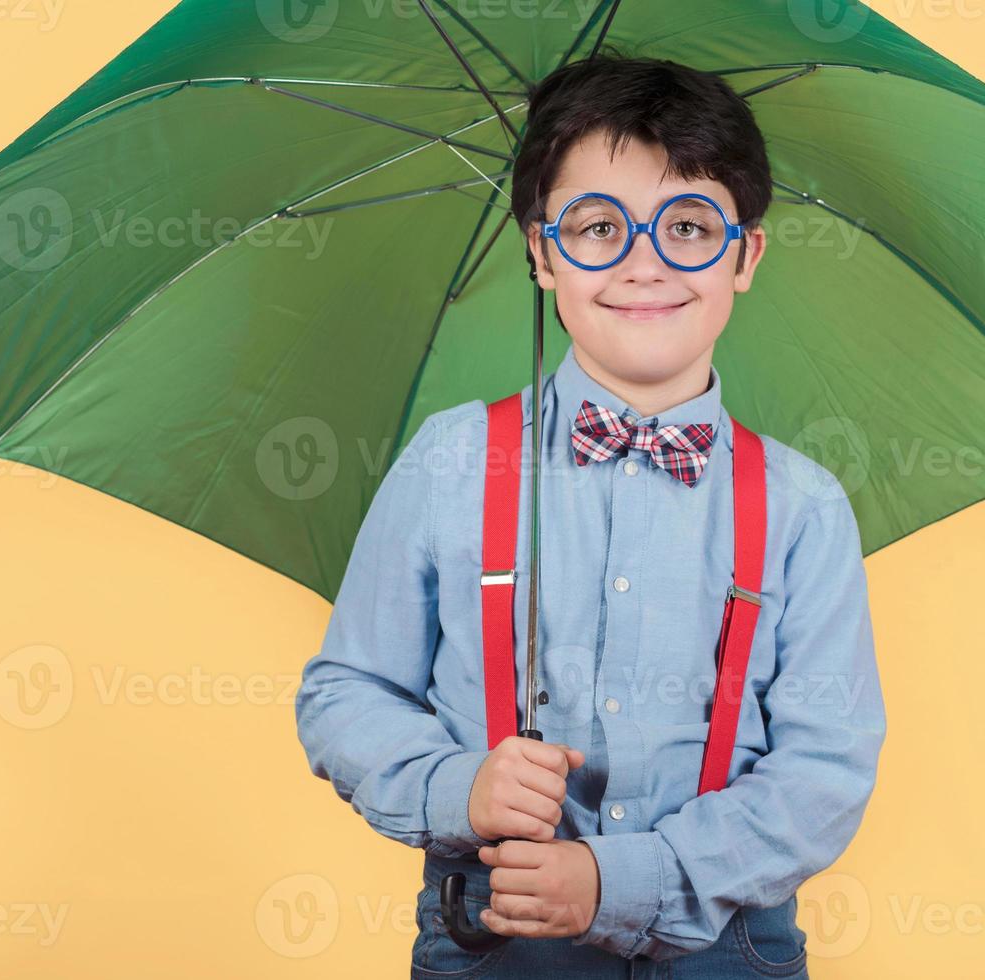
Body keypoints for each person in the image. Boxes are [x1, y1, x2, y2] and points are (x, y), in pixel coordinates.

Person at [295, 50, 887, 979]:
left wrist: (624, 881)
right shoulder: (453, 462)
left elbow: (824, 774)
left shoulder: (803, 506)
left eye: (689, 225)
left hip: (724, 947)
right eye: (597, 226)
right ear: (540, 253)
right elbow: (345, 695)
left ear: (746, 255)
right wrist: (463, 785)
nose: (643, 264)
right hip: (493, 938)